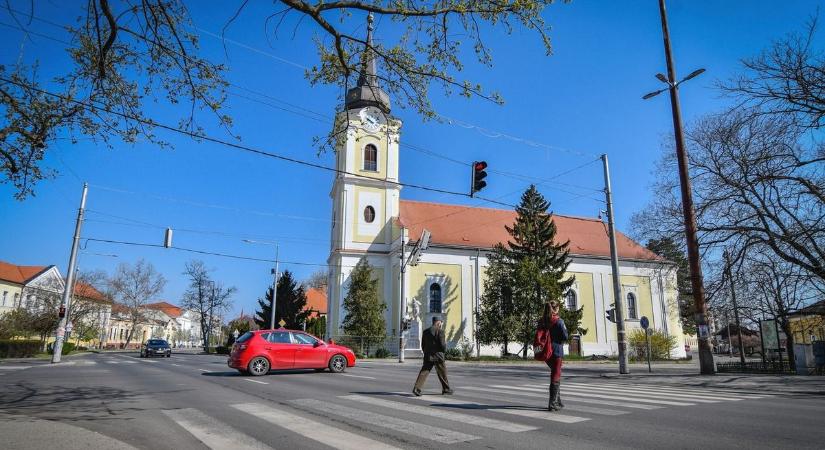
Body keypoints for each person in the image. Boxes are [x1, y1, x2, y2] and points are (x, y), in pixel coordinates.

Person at [536, 301, 568, 411]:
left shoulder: (542, 321)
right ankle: (552, 403)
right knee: (556, 375)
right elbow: (565, 336)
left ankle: (558, 401)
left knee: (555, 373)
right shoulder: (559, 321)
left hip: (546, 351)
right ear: (556, 308)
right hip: (556, 351)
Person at [413, 316, 452, 396]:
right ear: (438, 322)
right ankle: (446, 389)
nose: (441, 324)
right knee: (442, 372)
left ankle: (417, 388)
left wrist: (426, 352)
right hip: (438, 356)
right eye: (441, 323)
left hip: (428, 355)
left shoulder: (426, 331)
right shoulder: (440, 331)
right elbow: (442, 345)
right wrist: (444, 351)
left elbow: (423, 345)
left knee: (424, 372)